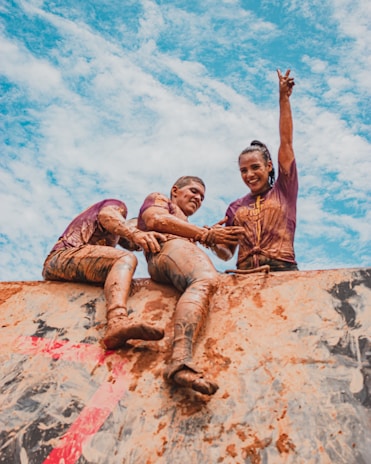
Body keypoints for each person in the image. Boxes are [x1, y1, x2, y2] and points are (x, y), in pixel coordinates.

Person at [137, 176, 244, 395]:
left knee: (208, 282)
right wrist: (205, 234)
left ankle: (182, 361)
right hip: (165, 251)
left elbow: (223, 254)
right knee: (205, 279)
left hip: (175, 254)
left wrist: (217, 238)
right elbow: (155, 219)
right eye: (193, 191)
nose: (198, 198)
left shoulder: (186, 227)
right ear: (175, 190)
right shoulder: (160, 199)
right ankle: (179, 361)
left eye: (202, 197)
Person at [42, 199, 166, 349]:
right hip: (62, 256)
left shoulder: (111, 240)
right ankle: (117, 320)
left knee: (121, 278)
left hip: (71, 263)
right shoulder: (116, 207)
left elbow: (128, 244)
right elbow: (107, 216)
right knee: (124, 259)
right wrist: (135, 233)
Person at [214, 69, 299, 272]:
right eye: (243, 170)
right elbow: (227, 253)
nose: (249, 175)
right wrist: (213, 240)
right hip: (243, 277)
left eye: (255, 167)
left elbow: (286, 141)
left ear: (269, 166)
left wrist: (283, 99)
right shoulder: (235, 207)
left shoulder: (284, 190)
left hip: (282, 272)